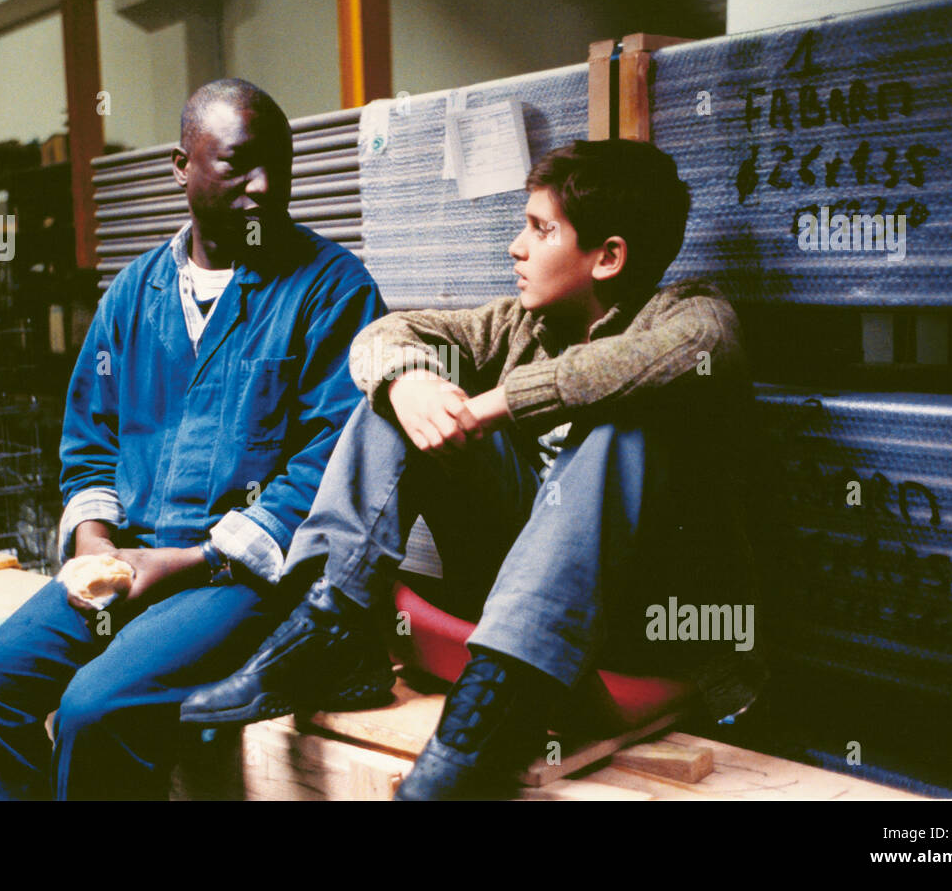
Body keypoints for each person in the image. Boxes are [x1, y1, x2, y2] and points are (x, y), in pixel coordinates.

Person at [179, 138, 768, 800]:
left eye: (540, 229)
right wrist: (408, 383)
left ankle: (485, 720)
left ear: (609, 257)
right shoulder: (519, 323)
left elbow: (675, 354)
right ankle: (332, 624)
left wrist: (495, 404)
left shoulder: (692, 315)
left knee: (623, 421)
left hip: (644, 628)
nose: (516, 246)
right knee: (405, 398)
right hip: (522, 608)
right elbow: (384, 334)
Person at [0, 79, 386, 799]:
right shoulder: (133, 295)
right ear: (182, 166)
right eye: (238, 164)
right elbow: (89, 441)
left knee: (94, 707)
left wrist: (181, 561)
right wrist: (95, 546)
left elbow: (331, 465)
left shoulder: (332, 290)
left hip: (242, 579)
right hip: (128, 563)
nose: (264, 186)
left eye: (279, 165)